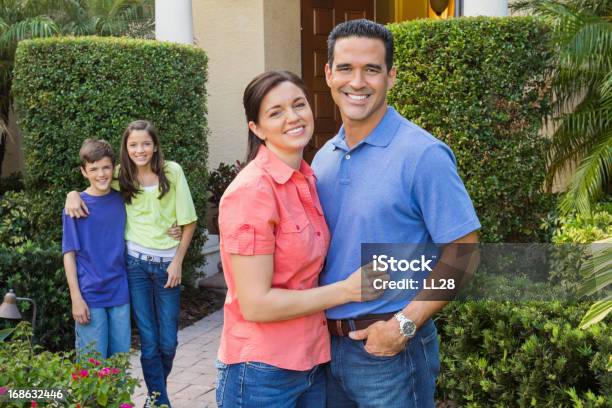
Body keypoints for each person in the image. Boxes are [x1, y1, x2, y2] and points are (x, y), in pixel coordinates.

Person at [311, 19, 481, 407]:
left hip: (390, 352)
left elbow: (464, 252)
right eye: (345, 68)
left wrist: (403, 326)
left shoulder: (422, 154)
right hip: (325, 351)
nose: (358, 82)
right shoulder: (323, 159)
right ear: (328, 74)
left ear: (391, 76)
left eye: (371, 69)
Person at [215, 70, 384, 407]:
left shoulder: (307, 179)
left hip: (311, 361)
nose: (293, 117)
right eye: (276, 112)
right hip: (262, 370)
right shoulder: (252, 192)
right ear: (257, 129)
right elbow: (256, 303)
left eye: (299, 105)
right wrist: (347, 291)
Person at [65, 120, 197, 408]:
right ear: (126, 148)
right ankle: (158, 401)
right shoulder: (121, 177)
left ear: (155, 145)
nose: (140, 150)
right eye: (133, 145)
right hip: (134, 266)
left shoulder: (171, 172)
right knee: (148, 341)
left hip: (165, 268)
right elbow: (92, 183)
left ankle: (154, 396)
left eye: (146, 143)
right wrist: (71, 194)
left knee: (168, 342)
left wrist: (177, 260)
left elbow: (189, 221)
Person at [63, 138, 130, 360]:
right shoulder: (75, 206)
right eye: (93, 169)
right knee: (92, 365)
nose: (101, 174)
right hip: (89, 295)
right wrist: (76, 298)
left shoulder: (123, 199)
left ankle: (119, 398)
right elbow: (69, 255)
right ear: (84, 171)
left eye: (106, 168)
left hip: (120, 292)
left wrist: (173, 230)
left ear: (114, 168)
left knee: (120, 364)